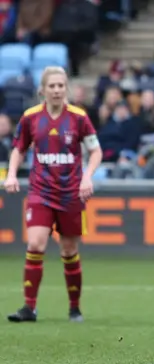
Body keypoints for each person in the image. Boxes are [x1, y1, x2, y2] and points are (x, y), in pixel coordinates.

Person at [3, 66, 103, 323]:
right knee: (35, 243)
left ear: (66, 88)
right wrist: (12, 174)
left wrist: (87, 177)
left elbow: (96, 151)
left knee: (69, 251)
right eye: (52, 86)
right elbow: (18, 149)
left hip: (71, 193)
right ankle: (29, 308)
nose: (57, 90)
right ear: (42, 90)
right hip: (40, 192)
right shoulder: (31, 118)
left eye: (61, 85)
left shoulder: (79, 118)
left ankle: (74, 308)